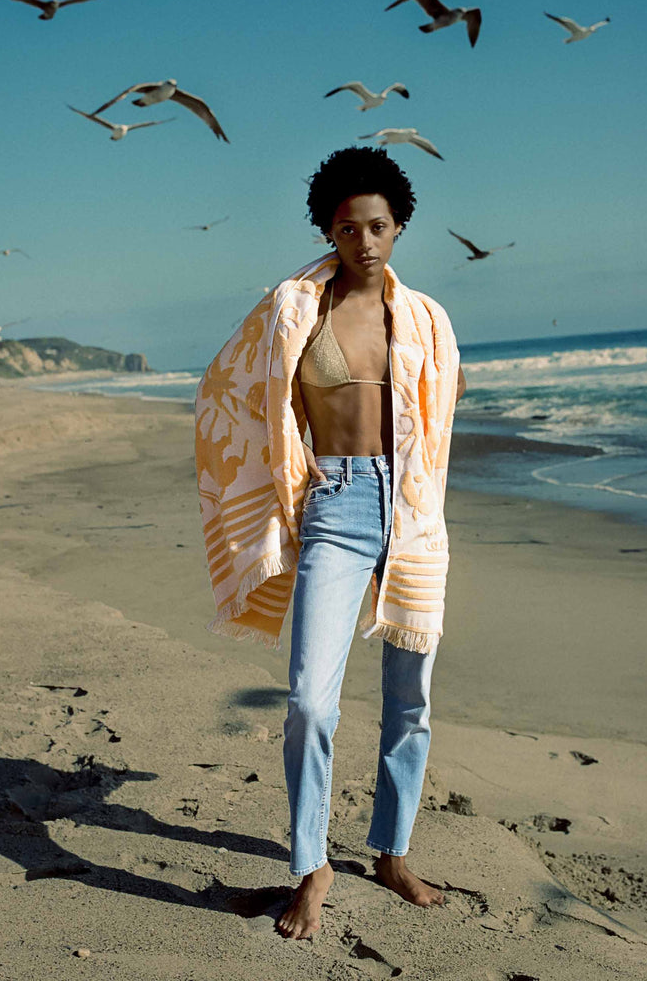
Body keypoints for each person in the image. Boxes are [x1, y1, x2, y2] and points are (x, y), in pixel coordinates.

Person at [194, 146, 466, 941]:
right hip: (336, 506)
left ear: (400, 227)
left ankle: (391, 849)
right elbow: (230, 386)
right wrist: (285, 478)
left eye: (378, 226)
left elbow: (437, 423)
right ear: (329, 229)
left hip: (413, 510)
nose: (365, 242)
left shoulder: (427, 319)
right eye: (349, 229)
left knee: (410, 697)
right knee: (311, 702)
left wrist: (421, 495)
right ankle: (311, 864)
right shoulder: (293, 309)